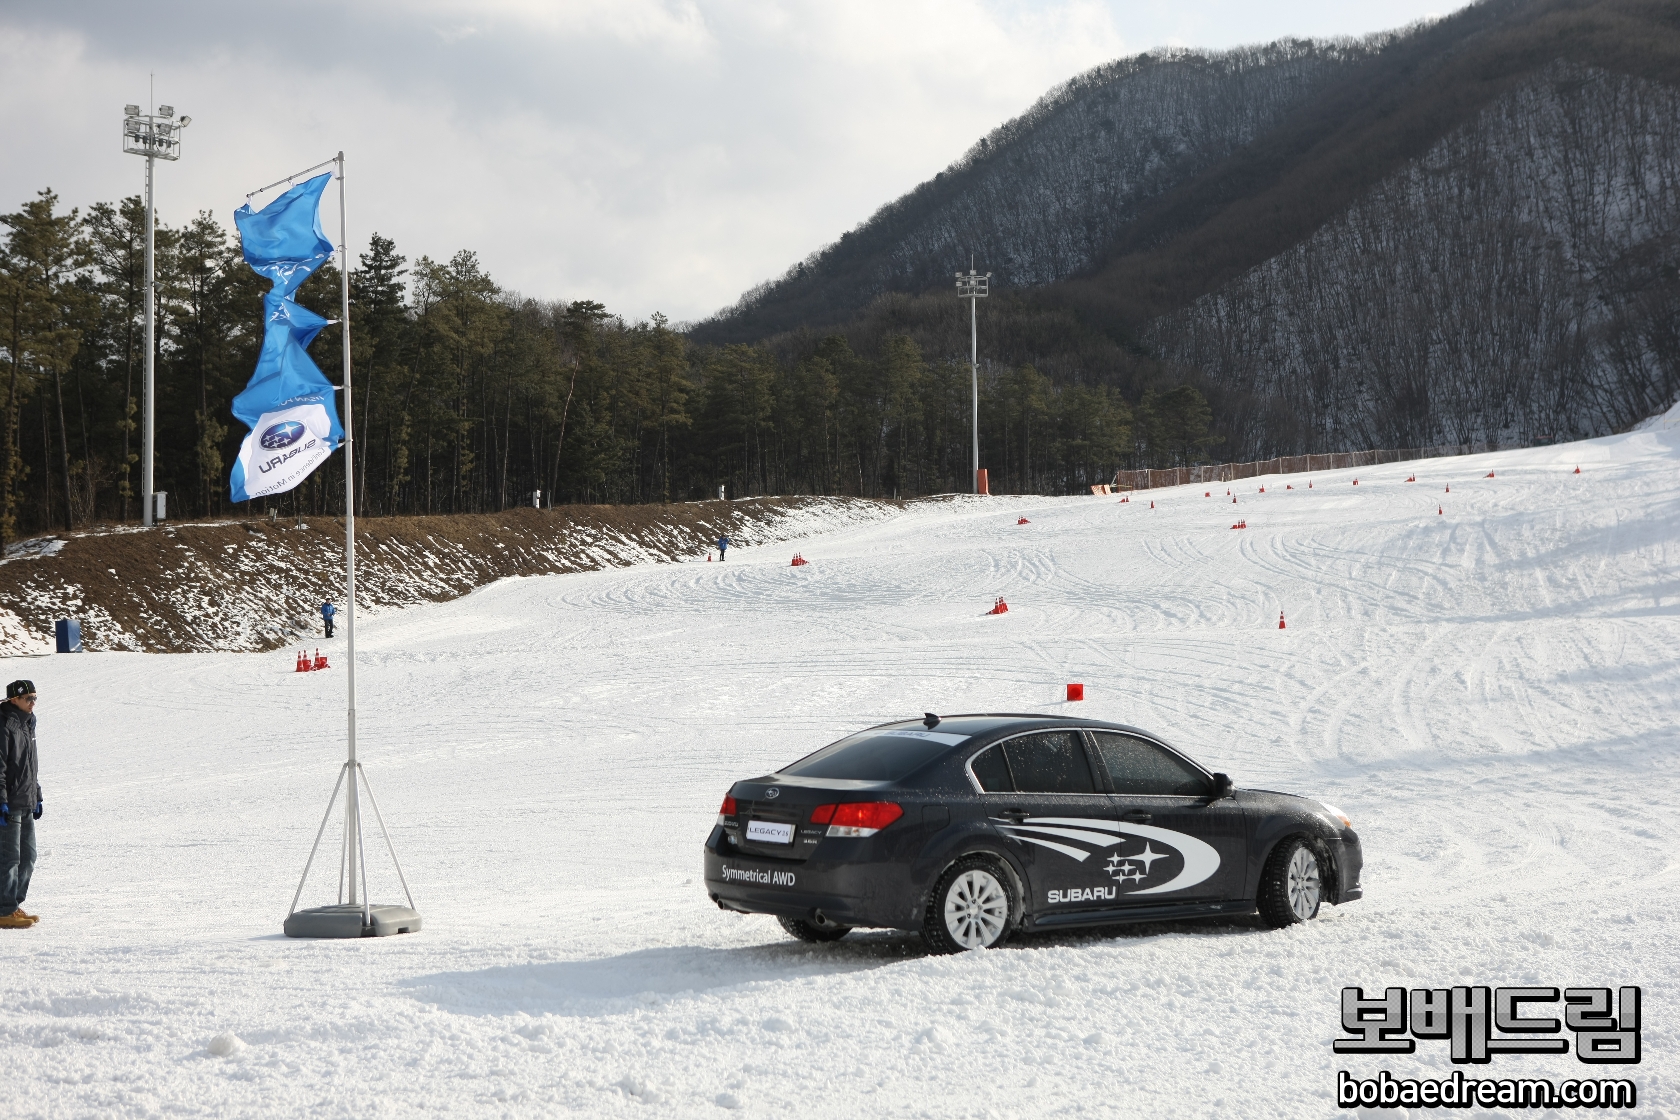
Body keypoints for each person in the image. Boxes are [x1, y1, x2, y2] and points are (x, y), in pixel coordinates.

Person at [0, 681, 42, 929]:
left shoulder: (27, 724)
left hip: (25, 799)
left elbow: (30, 765)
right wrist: (1, 801)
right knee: (10, 858)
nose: (33, 702)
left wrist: (36, 793)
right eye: (28, 698)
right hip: (9, 802)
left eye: (35, 697)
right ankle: (4, 909)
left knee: (28, 857)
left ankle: (12, 905)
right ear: (13, 699)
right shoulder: (4, 724)